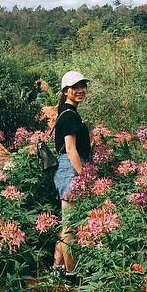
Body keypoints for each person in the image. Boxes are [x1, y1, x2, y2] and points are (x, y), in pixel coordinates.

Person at [52, 70, 90, 274]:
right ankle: (71, 273)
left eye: (82, 86)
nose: (80, 90)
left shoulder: (68, 113)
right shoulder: (69, 115)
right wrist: (83, 176)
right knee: (70, 227)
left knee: (68, 223)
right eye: (75, 87)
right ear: (66, 90)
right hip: (70, 169)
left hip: (68, 168)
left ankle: (56, 267)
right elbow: (70, 149)